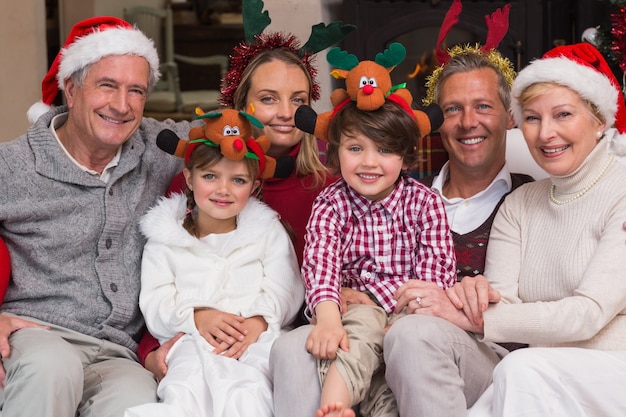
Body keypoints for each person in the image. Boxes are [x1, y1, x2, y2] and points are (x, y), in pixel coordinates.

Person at [0, 16, 200, 417]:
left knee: (139, 402)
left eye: (136, 91)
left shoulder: (158, 150)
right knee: (51, 369)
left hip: (116, 354)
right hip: (36, 335)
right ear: (71, 90)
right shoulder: (12, 165)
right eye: (107, 85)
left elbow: (230, 133)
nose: (121, 105)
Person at [139, 16, 355, 378]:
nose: (285, 113)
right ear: (241, 104)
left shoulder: (332, 180)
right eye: (268, 99)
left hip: (294, 342)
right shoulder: (193, 187)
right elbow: (166, 279)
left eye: (297, 100)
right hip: (201, 345)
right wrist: (151, 353)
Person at [455, 42, 626, 416]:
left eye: (563, 115)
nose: (546, 133)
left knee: (518, 371)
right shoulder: (520, 204)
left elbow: (589, 313)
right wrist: (471, 299)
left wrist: (479, 318)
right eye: (532, 118)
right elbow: (504, 304)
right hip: (546, 370)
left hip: (616, 370)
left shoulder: (623, 189)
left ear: (600, 122)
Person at [284, 90, 456, 417]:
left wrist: (404, 321)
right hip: (352, 311)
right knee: (360, 327)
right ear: (335, 153)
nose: (369, 162)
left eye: (386, 149)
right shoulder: (330, 203)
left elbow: (434, 276)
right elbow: (320, 263)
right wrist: (329, 318)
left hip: (408, 314)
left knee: (391, 379)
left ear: (406, 156)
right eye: (355, 148)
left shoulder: (425, 203)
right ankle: (333, 406)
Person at [124, 116, 303, 417]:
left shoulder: (268, 232)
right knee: (184, 388)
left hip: (256, 341)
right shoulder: (165, 240)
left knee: (250, 391)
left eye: (238, 180)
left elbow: (286, 288)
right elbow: (155, 301)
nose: (223, 189)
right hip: (193, 341)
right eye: (210, 177)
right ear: (190, 179)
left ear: (255, 186)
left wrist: (259, 321)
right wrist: (197, 317)